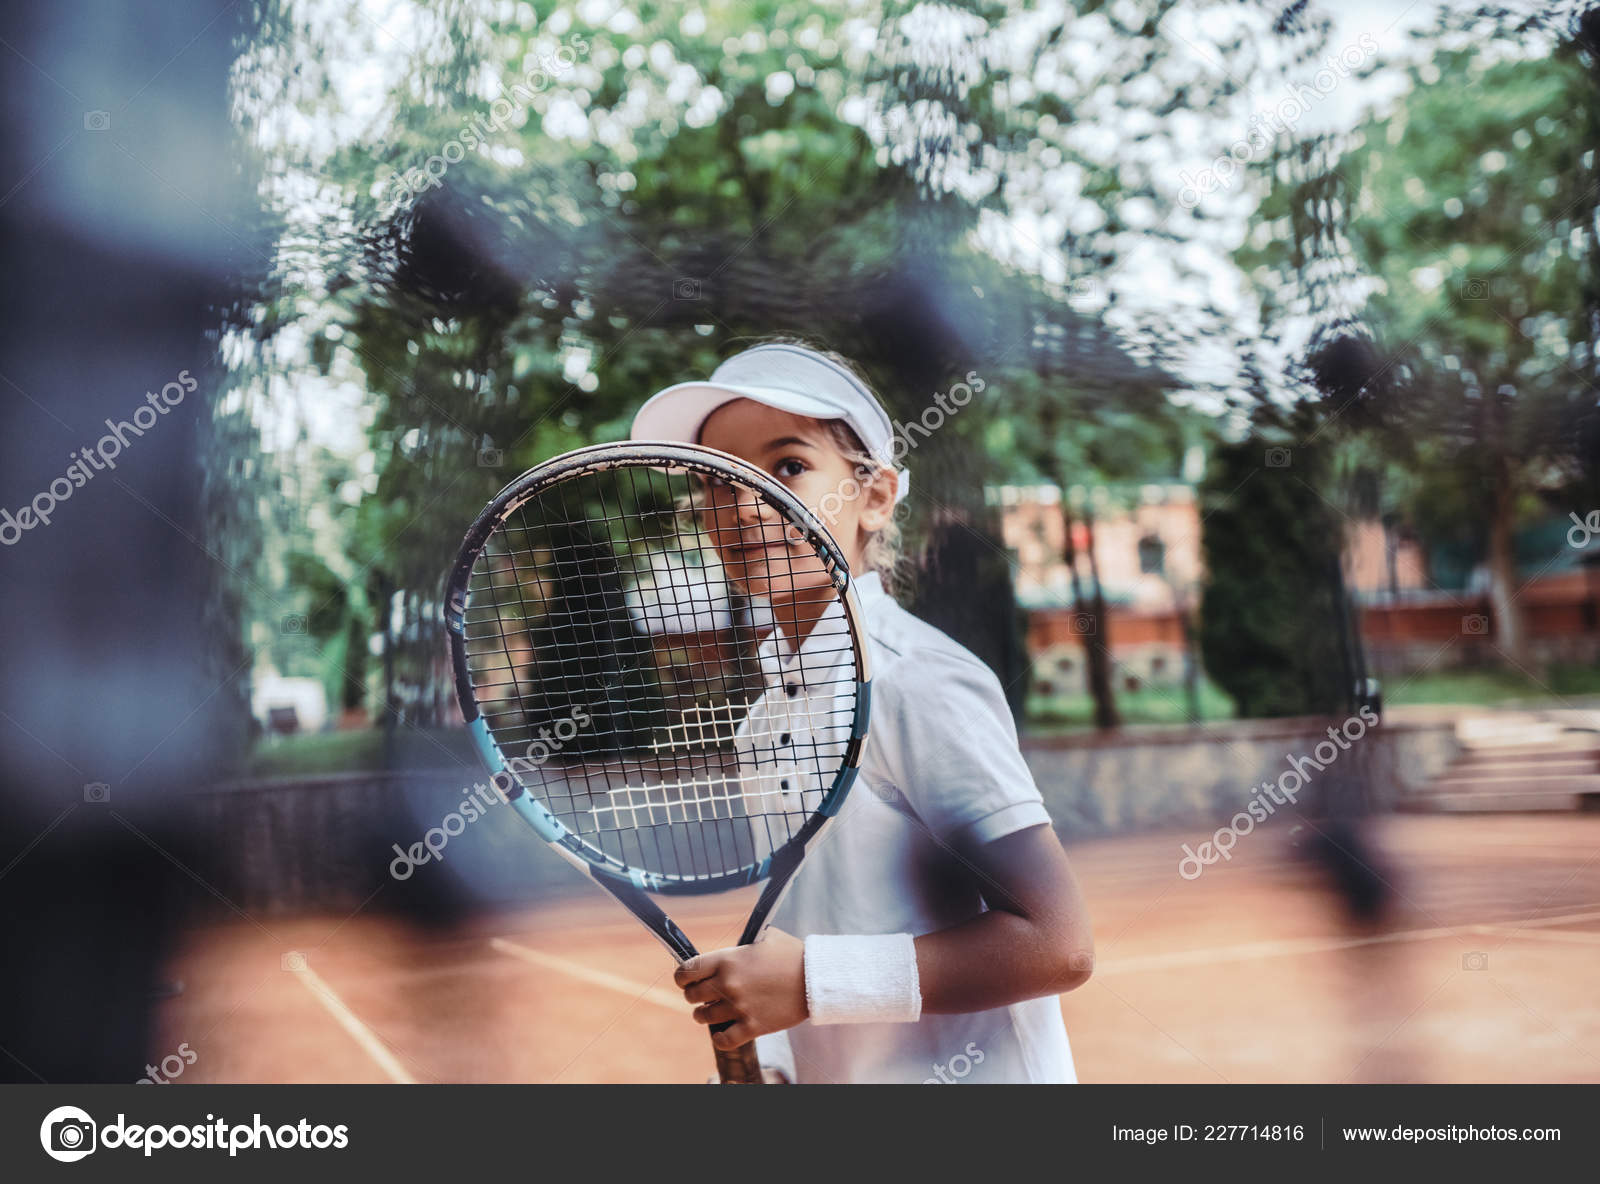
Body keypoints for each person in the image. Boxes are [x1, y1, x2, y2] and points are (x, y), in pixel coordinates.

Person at [629, 339, 1093, 1084]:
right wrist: (777, 1062)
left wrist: (812, 983)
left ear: (875, 497)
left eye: (787, 466)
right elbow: (806, 924)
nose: (745, 502)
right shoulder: (763, 724)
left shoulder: (920, 683)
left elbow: (1057, 944)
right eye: (719, 480)